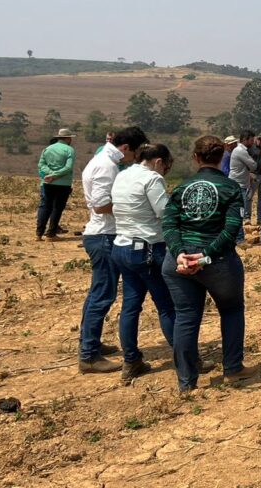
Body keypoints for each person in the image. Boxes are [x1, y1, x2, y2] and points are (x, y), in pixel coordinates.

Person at [162, 135, 251, 391]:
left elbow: (169, 224)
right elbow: (231, 229)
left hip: (178, 263)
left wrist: (180, 253)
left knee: (186, 317)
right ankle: (233, 369)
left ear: (195, 158)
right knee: (232, 310)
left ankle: (186, 382)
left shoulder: (181, 188)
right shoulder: (231, 188)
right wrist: (205, 256)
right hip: (218, 263)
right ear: (222, 156)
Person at [78, 126, 148, 373]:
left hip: (102, 234)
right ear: (126, 148)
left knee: (97, 293)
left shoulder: (103, 160)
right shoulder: (107, 166)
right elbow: (100, 205)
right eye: (136, 152)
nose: (135, 158)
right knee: (103, 295)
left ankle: (90, 342)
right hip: (104, 235)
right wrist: (130, 207)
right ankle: (88, 355)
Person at [110, 143, 183, 380]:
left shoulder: (122, 175)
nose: (164, 172)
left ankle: (131, 360)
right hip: (148, 248)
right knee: (167, 305)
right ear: (159, 162)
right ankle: (186, 359)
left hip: (122, 246)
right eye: (166, 166)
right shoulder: (152, 179)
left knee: (130, 306)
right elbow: (164, 212)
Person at [36, 128, 77, 240]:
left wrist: (50, 174)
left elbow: (41, 165)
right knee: (57, 208)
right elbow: (68, 168)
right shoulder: (69, 150)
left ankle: (39, 233)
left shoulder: (47, 149)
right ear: (68, 138)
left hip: (48, 182)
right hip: (63, 184)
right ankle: (51, 234)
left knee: (45, 206)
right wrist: (56, 174)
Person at [228, 130, 258, 233]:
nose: (252, 142)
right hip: (238, 185)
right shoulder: (241, 151)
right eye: (251, 140)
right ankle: (239, 237)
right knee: (240, 211)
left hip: (238, 183)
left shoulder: (239, 150)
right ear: (245, 140)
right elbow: (253, 166)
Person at [249, 134, 261, 224]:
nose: (260, 141)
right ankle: (247, 217)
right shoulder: (251, 148)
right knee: (249, 197)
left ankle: (260, 219)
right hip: (253, 175)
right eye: (259, 139)